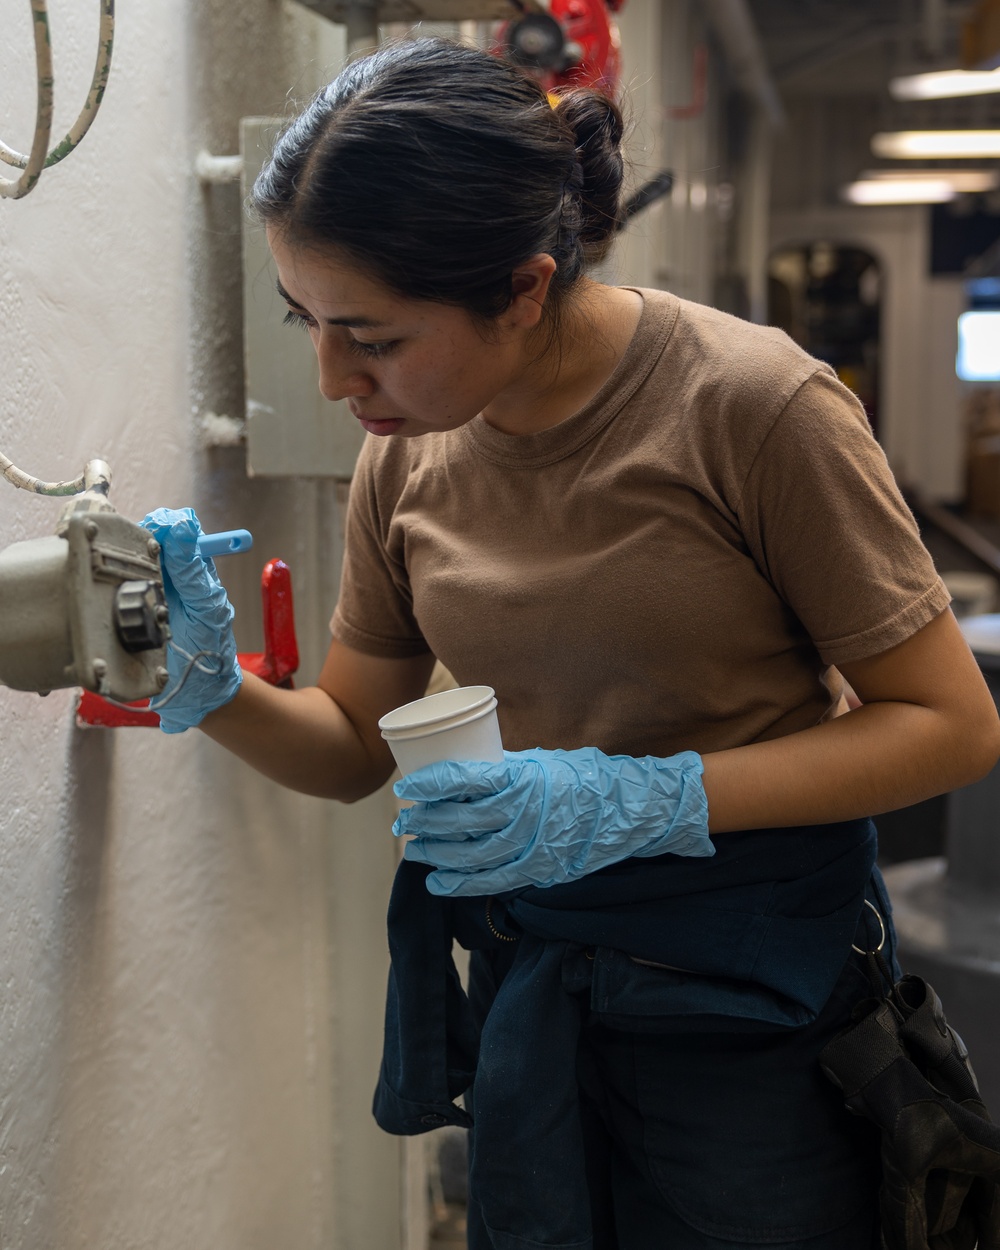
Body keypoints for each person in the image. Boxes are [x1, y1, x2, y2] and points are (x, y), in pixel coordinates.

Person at [142, 37, 1000, 1250]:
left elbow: (952, 726)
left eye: (374, 336)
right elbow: (345, 741)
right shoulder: (403, 454)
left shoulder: (753, 408)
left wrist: (647, 798)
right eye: (309, 320)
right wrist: (208, 681)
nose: (332, 373)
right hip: (537, 993)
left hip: (756, 1006)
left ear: (526, 285)